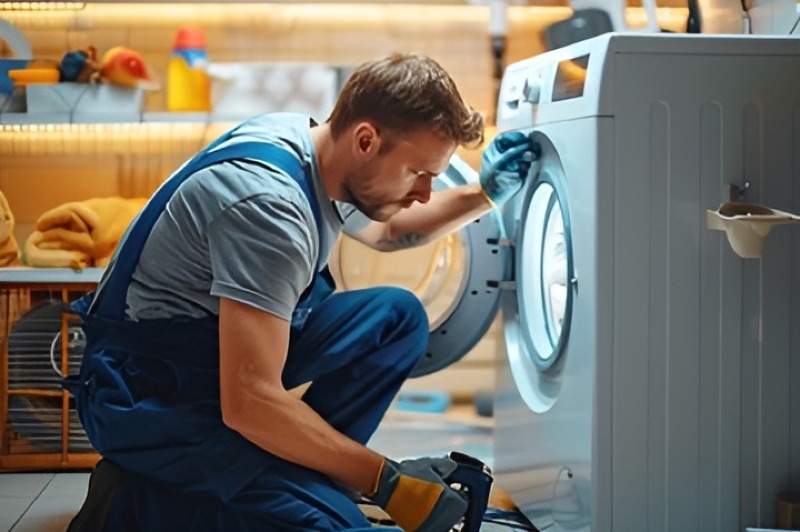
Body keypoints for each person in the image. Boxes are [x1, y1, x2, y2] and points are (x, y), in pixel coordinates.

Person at [64, 53, 536, 531]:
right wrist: (384, 479)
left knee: (396, 317)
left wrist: (484, 193)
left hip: (209, 364)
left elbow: (390, 230)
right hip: (147, 398)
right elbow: (250, 402)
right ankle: (134, 499)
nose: (425, 192)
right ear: (366, 140)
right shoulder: (269, 206)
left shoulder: (313, 146)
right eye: (419, 173)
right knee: (335, 528)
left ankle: (303, 475)